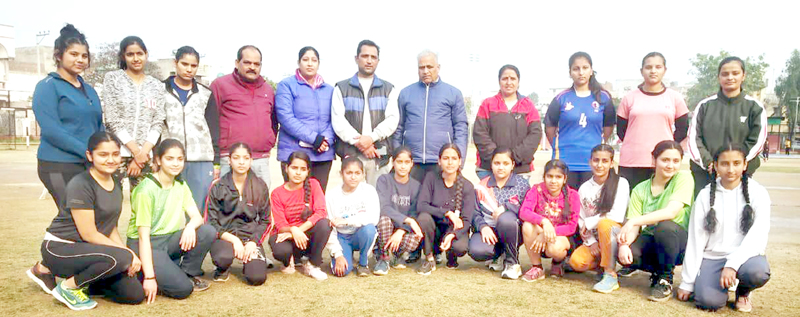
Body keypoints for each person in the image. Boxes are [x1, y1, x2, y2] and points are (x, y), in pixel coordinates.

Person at [28, 132, 144, 310]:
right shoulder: (81, 184)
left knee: (133, 294)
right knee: (122, 257)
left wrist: (126, 252)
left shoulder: (115, 183)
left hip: (91, 252)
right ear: (90, 156)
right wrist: (127, 254)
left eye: (115, 154)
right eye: (103, 155)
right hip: (61, 248)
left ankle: (89, 280)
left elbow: (110, 227)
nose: (111, 160)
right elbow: (89, 234)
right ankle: (67, 287)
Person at [677, 143, 771, 312]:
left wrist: (733, 265)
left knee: (758, 272)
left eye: (736, 163)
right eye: (724, 164)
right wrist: (687, 282)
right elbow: (696, 240)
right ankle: (717, 286)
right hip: (713, 258)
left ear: (745, 165)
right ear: (715, 165)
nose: (730, 169)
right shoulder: (705, 195)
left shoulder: (758, 193)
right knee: (708, 302)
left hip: (745, 259)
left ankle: (743, 292)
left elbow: (758, 236)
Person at [127, 139, 216, 303]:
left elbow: (197, 217)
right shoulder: (145, 190)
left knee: (206, 231)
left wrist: (190, 226)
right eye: (169, 158)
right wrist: (150, 277)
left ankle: (187, 272)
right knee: (183, 289)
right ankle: (144, 273)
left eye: (180, 159)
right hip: (146, 245)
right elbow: (143, 238)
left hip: (168, 239)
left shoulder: (180, 185)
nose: (175, 163)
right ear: (158, 160)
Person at [33, 24, 103, 220]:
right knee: (71, 218)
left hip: (88, 164)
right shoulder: (47, 87)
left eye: (84, 55)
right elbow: (52, 130)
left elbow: (99, 124)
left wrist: (102, 151)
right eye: (73, 54)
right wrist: (87, 152)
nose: (80, 60)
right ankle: (54, 249)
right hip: (58, 164)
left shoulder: (89, 89)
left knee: (94, 218)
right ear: (58, 55)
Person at [617, 140, 693, 302]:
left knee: (665, 227)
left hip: (677, 241)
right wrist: (624, 246)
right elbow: (634, 227)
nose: (670, 165)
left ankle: (665, 279)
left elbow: (671, 212)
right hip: (652, 238)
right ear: (654, 160)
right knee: (628, 253)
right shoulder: (640, 189)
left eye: (675, 161)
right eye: (665, 160)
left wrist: (635, 220)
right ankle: (657, 271)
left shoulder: (684, 178)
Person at [688, 56, 767, 198]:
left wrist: (736, 165)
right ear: (719, 77)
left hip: (740, 174)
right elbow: (694, 139)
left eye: (735, 73)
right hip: (706, 173)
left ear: (743, 76)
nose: (730, 77)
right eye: (725, 74)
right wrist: (712, 164)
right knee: (704, 214)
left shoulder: (754, 107)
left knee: (738, 214)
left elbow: (757, 141)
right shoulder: (704, 106)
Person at [331, 40, 399, 186]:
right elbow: (338, 121)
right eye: (365, 56)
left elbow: (392, 120)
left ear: (378, 61)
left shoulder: (389, 89)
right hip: (352, 154)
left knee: (380, 201)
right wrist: (361, 143)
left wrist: (372, 138)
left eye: (373, 57)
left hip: (379, 155)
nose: (369, 61)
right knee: (353, 202)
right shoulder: (341, 88)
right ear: (356, 58)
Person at [394, 50, 468, 182]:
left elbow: (461, 127)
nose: (426, 71)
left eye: (430, 67)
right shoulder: (405, 93)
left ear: (438, 68)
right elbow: (398, 127)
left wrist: (458, 159)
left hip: (441, 162)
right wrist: (397, 155)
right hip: (412, 162)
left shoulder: (453, 93)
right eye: (421, 67)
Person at [617, 52, 689, 189]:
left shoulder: (675, 97)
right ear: (641, 71)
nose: (653, 71)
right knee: (632, 204)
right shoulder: (629, 98)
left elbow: (683, 128)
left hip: (663, 162)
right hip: (632, 162)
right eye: (648, 67)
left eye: (658, 67)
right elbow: (621, 130)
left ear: (664, 70)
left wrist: (667, 149)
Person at [544, 52, 616, 189]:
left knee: (589, 205)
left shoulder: (603, 98)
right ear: (570, 72)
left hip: (592, 162)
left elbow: (608, 126)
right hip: (565, 161)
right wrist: (557, 146)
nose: (581, 72)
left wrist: (598, 144)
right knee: (566, 205)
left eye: (585, 68)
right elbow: (549, 127)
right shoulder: (561, 98)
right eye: (576, 69)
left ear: (591, 70)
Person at [208, 45, 277, 187]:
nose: (252, 67)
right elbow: (210, 122)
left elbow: (273, 121)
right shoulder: (220, 85)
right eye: (247, 62)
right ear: (236, 62)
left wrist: (269, 141)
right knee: (228, 204)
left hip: (260, 159)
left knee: (259, 204)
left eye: (256, 64)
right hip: (230, 158)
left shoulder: (267, 89)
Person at [103, 36, 165, 191]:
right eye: (130, 54)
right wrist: (135, 151)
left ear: (146, 55)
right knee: (110, 204)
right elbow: (112, 119)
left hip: (145, 156)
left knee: (144, 205)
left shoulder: (156, 85)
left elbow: (158, 121)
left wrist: (142, 154)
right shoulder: (113, 79)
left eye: (140, 54)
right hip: (116, 152)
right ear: (123, 56)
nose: (136, 58)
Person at [567, 144, 630, 293]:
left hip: (615, 235)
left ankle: (610, 274)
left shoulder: (621, 183)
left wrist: (591, 222)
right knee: (577, 262)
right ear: (590, 162)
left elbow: (618, 214)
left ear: (611, 163)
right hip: (595, 238)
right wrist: (591, 242)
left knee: (604, 223)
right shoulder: (584, 188)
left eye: (605, 161)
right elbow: (581, 220)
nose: (600, 165)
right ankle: (601, 264)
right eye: (596, 160)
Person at [206, 142, 270, 286]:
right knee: (223, 257)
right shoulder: (218, 186)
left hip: (250, 237)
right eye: (236, 158)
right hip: (226, 236)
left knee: (257, 278)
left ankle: (250, 263)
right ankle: (222, 268)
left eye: (246, 158)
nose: (241, 162)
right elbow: (211, 222)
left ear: (251, 161)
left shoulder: (260, 186)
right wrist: (234, 240)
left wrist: (253, 242)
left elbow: (266, 221)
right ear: (229, 160)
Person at [163, 46, 215, 211]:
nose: (189, 69)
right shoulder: (160, 90)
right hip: (170, 157)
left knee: (198, 207)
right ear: (175, 63)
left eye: (193, 66)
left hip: (200, 158)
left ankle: (199, 237)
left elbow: (214, 128)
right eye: (185, 64)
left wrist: (217, 161)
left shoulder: (206, 93)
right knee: (170, 207)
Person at [276, 46, 335, 191]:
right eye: (305, 60)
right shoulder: (287, 85)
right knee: (295, 200)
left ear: (318, 63)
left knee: (318, 199)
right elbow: (285, 117)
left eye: (314, 60)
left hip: (322, 154)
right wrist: (314, 139)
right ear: (298, 62)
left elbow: (335, 119)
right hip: (295, 153)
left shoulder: (330, 90)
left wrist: (325, 140)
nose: (310, 64)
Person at [468, 147, 531, 279]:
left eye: (505, 163)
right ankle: (499, 255)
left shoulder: (522, 185)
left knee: (505, 218)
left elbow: (528, 209)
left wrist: (507, 207)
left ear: (512, 165)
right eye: (497, 163)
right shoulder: (482, 186)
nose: (501, 167)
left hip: (514, 230)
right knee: (476, 250)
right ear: (491, 164)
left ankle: (512, 263)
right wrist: (483, 227)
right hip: (491, 230)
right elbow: (475, 212)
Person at [268, 151, 332, 281]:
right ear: (286, 168)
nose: (298, 173)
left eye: (303, 169)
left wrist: (298, 231)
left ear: (308, 171)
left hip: (304, 235)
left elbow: (320, 212)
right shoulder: (277, 193)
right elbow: (280, 225)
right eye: (294, 168)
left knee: (325, 223)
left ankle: (313, 264)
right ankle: (289, 260)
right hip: (286, 235)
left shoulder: (314, 184)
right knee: (281, 250)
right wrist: (292, 230)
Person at [473, 65, 542, 180]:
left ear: (518, 82)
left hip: (520, 170)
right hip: (489, 170)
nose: (509, 82)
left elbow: (535, 134)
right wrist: (498, 160)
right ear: (499, 81)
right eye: (505, 78)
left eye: (513, 79)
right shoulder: (488, 104)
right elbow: (480, 134)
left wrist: (513, 158)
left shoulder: (528, 105)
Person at [416, 143, 475, 275]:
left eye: (454, 159)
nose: (450, 162)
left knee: (460, 247)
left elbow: (466, 221)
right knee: (423, 218)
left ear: (460, 161)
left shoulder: (467, 186)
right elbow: (421, 205)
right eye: (446, 158)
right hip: (435, 228)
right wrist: (447, 213)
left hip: (454, 229)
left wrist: (452, 235)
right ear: (439, 161)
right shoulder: (431, 178)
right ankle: (430, 258)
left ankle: (451, 256)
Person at [519, 159, 581, 281]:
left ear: (564, 179)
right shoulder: (536, 190)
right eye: (550, 176)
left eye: (558, 177)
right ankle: (537, 267)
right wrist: (544, 222)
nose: (553, 181)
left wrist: (547, 233)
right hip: (539, 235)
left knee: (554, 249)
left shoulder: (573, 195)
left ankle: (558, 262)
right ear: (544, 177)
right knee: (527, 225)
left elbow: (571, 226)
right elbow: (524, 211)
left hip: (562, 237)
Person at [326, 156, 381, 277]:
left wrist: (347, 221)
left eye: (357, 173)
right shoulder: (331, 196)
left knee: (369, 229)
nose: (353, 177)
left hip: (359, 233)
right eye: (349, 173)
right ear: (341, 173)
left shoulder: (369, 190)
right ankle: (345, 254)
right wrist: (338, 255)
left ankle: (363, 263)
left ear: (363, 174)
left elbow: (373, 218)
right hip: (342, 236)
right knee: (342, 272)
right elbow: (330, 228)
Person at [373, 146, 424, 275]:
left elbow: (414, 213)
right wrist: (407, 220)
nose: (403, 166)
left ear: (412, 164)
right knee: (384, 220)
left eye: (407, 162)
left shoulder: (416, 186)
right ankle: (383, 257)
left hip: (402, 229)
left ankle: (398, 255)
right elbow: (384, 207)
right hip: (387, 226)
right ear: (393, 162)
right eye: (399, 162)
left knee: (414, 239)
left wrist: (401, 231)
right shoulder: (384, 180)